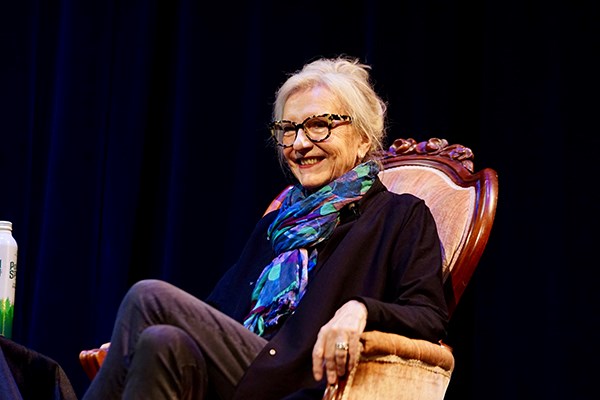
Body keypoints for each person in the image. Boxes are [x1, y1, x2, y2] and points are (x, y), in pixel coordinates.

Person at [82, 55, 448, 400]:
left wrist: (362, 309)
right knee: (159, 340)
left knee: (149, 297)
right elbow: (218, 314)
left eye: (319, 125)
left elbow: (429, 317)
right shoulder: (277, 225)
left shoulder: (400, 216)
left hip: (304, 378)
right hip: (246, 372)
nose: (301, 144)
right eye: (288, 130)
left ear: (364, 138)